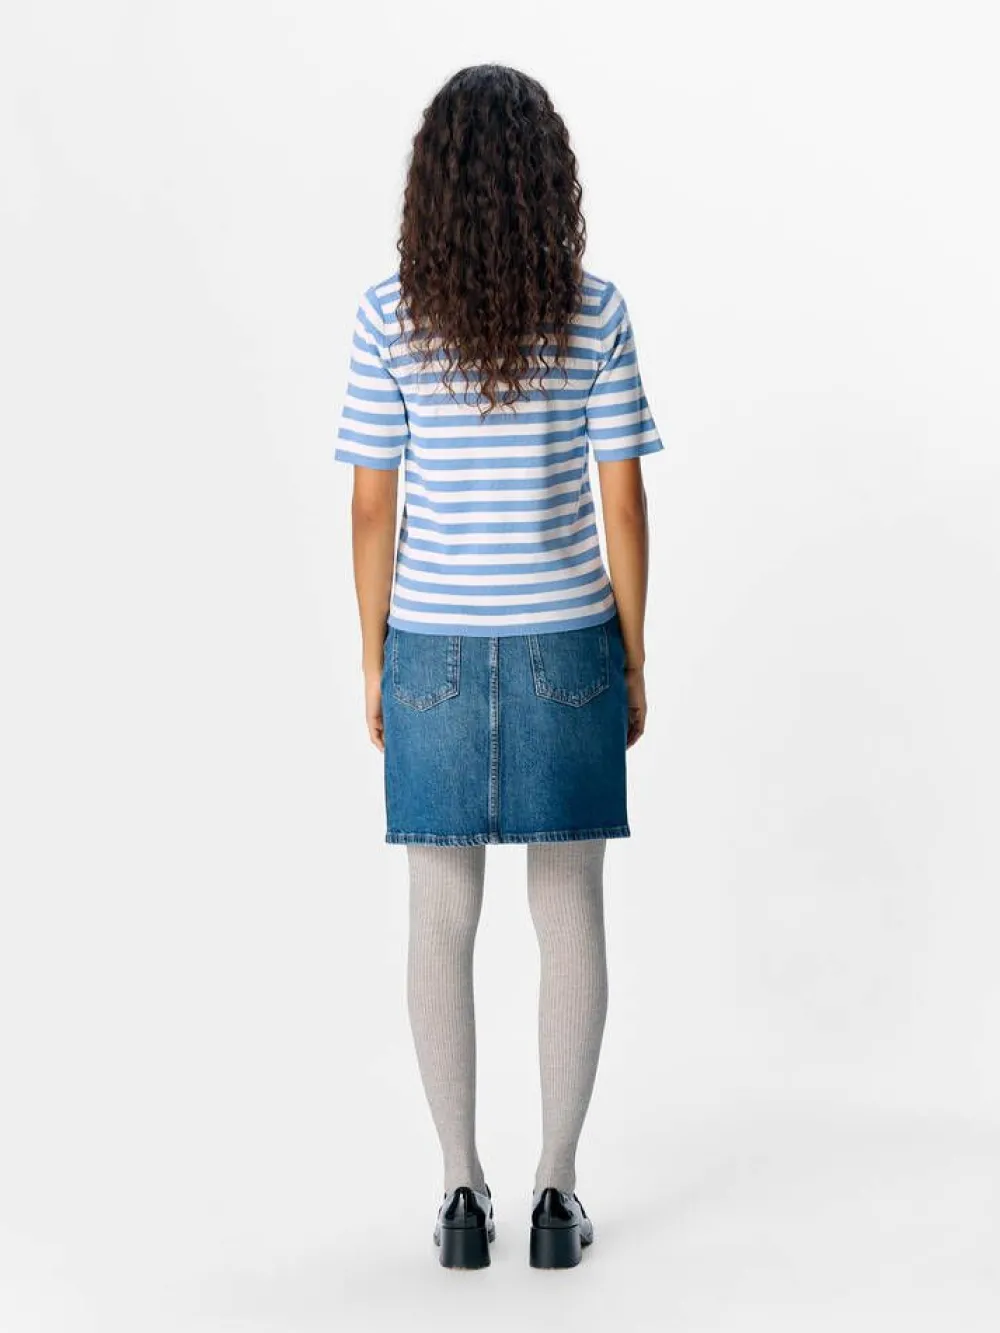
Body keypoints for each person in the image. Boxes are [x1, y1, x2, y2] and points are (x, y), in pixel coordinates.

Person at [334, 64, 664, 1269]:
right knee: (566, 905)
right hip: (566, 640)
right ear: (548, 183)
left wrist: (371, 652)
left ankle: (459, 1192)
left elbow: (372, 506)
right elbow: (621, 501)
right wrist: (634, 652)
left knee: (440, 916)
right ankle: (556, 1192)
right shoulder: (595, 311)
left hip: (428, 639)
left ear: (429, 185)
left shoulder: (388, 316)